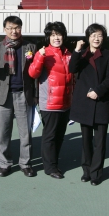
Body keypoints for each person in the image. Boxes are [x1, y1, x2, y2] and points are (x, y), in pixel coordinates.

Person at [0, 16, 37, 178]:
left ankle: (25, 163)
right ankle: (5, 163)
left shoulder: (30, 47)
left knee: (25, 133)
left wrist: (35, 94)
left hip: (24, 93)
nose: (13, 31)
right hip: (3, 95)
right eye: (10, 28)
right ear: (4, 29)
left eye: (16, 28)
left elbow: (36, 72)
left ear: (21, 28)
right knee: (3, 132)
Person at [69, 24, 109, 186]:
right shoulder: (81, 55)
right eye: (93, 35)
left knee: (100, 141)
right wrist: (76, 50)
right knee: (86, 139)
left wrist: (98, 91)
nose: (96, 38)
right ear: (88, 37)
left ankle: (96, 173)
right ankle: (86, 170)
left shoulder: (108, 55)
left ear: (104, 38)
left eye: (100, 35)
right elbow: (72, 68)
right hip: (85, 103)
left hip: (101, 101)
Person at [28, 21, 74, 179]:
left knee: (60, 135)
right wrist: (39, 57)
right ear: (48, 37)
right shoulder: (44, 53)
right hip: (50, 102)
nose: (56, 38)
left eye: (59, 34)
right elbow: (33, 73)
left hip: (66, 102)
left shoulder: (68, 53)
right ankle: (49, 167)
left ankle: (54, 162)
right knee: (50, 135)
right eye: (53, 35)